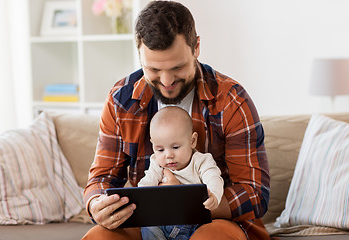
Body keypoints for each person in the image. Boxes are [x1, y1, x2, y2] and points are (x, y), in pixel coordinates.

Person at [82, 1, 270, 240]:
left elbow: (255, 193)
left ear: (196, 48)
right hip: (149, 224)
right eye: (154, 69)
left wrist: (188, 202)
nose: (167, 80)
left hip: (216, 221)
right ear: (139, 53)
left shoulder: (231, 100)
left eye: (177, 67)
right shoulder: (121, 100)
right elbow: (101, 178)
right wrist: (97, 205)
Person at [138, 106, 224, 240]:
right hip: (163, 222)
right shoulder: (156, 164)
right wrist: (141, 199)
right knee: (148, 226)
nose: (168, 155)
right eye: (160, 149)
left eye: (176, 147)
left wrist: (214, 196)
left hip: (193, 224)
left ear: (192, 141)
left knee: (209, 232)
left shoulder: (201, 161)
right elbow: (145, 186)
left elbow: (214, 178)